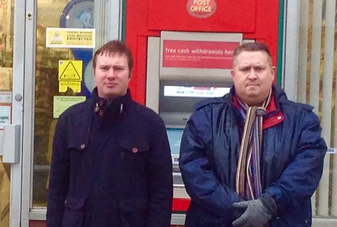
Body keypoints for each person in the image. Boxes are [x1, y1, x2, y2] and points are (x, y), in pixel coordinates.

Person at [179, 42, 327, 227]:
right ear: (233, 75)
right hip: (218, 221)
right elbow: (195, 172)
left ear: (272, 73)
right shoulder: (205, 117)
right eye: (244, 69)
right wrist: (239, 209)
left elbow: (306, 170)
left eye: (259, 68)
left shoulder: (302, 120)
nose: (252, 75)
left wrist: (268, 204)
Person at [47, 40, 173, 227]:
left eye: (118, 69)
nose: (111, 75)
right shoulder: (70, 121)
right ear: (94, 72)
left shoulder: (150, 124)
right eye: (104, 68)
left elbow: (161, 193)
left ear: (130, 73)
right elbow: (57, 187)